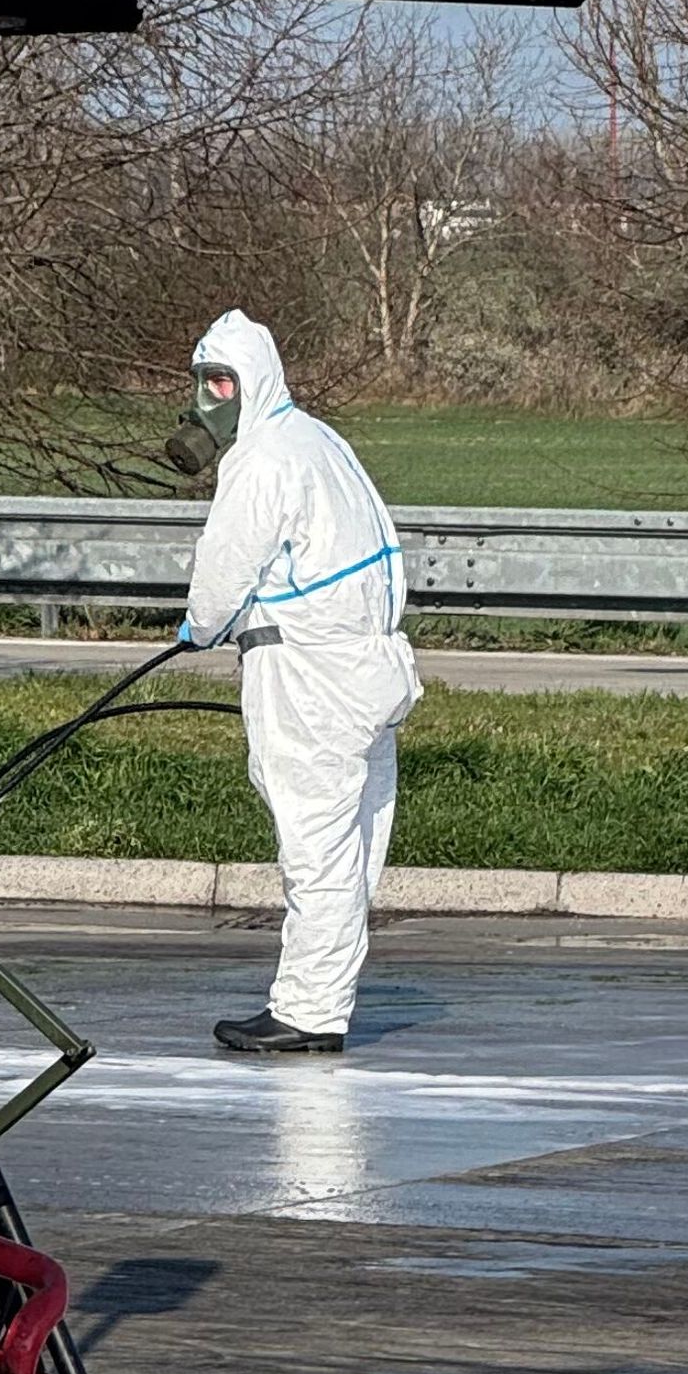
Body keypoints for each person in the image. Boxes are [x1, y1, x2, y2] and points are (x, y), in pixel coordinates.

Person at [171, 312, 422, 1057]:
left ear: (254, 382)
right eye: (205, 384)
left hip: (310, 674)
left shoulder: (261, 460)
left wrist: (200, 626)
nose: (212, 399)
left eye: (223, 382)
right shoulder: (319, 439)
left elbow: (222, 573)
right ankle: (322, 1001)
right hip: (370, 669)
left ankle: (308, 1012)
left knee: (316, 847)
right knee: (350, 848)